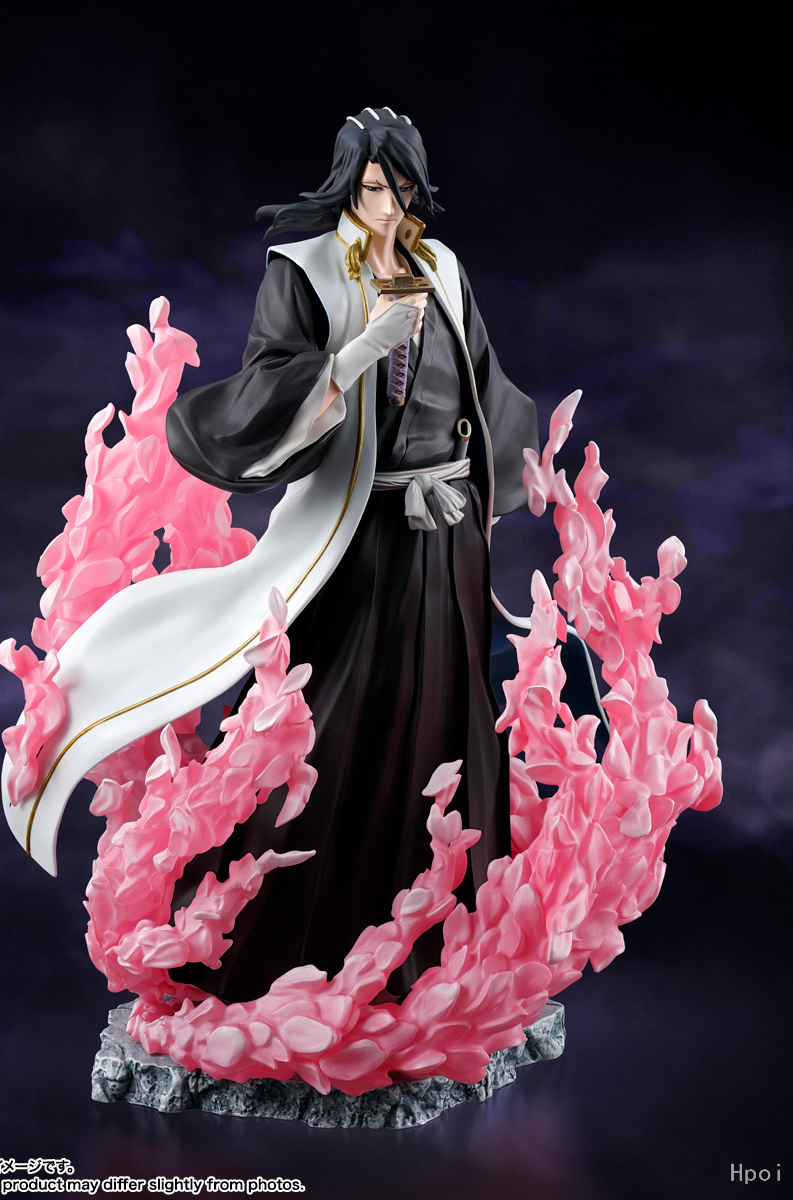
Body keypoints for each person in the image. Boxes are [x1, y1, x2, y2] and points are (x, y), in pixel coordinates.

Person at [164, 106, 538, 1002]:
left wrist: (507, 467)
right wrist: (350, 357)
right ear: (347, 185)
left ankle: (435, 957)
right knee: (328, 724)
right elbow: (264, 386)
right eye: (372, 187)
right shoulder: (304, 272)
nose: (387, 205)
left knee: (445, 725)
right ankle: (282, 949)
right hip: (355, 538)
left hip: (444, 536)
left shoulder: (442, 268)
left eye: (401, 188)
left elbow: (483, 388)